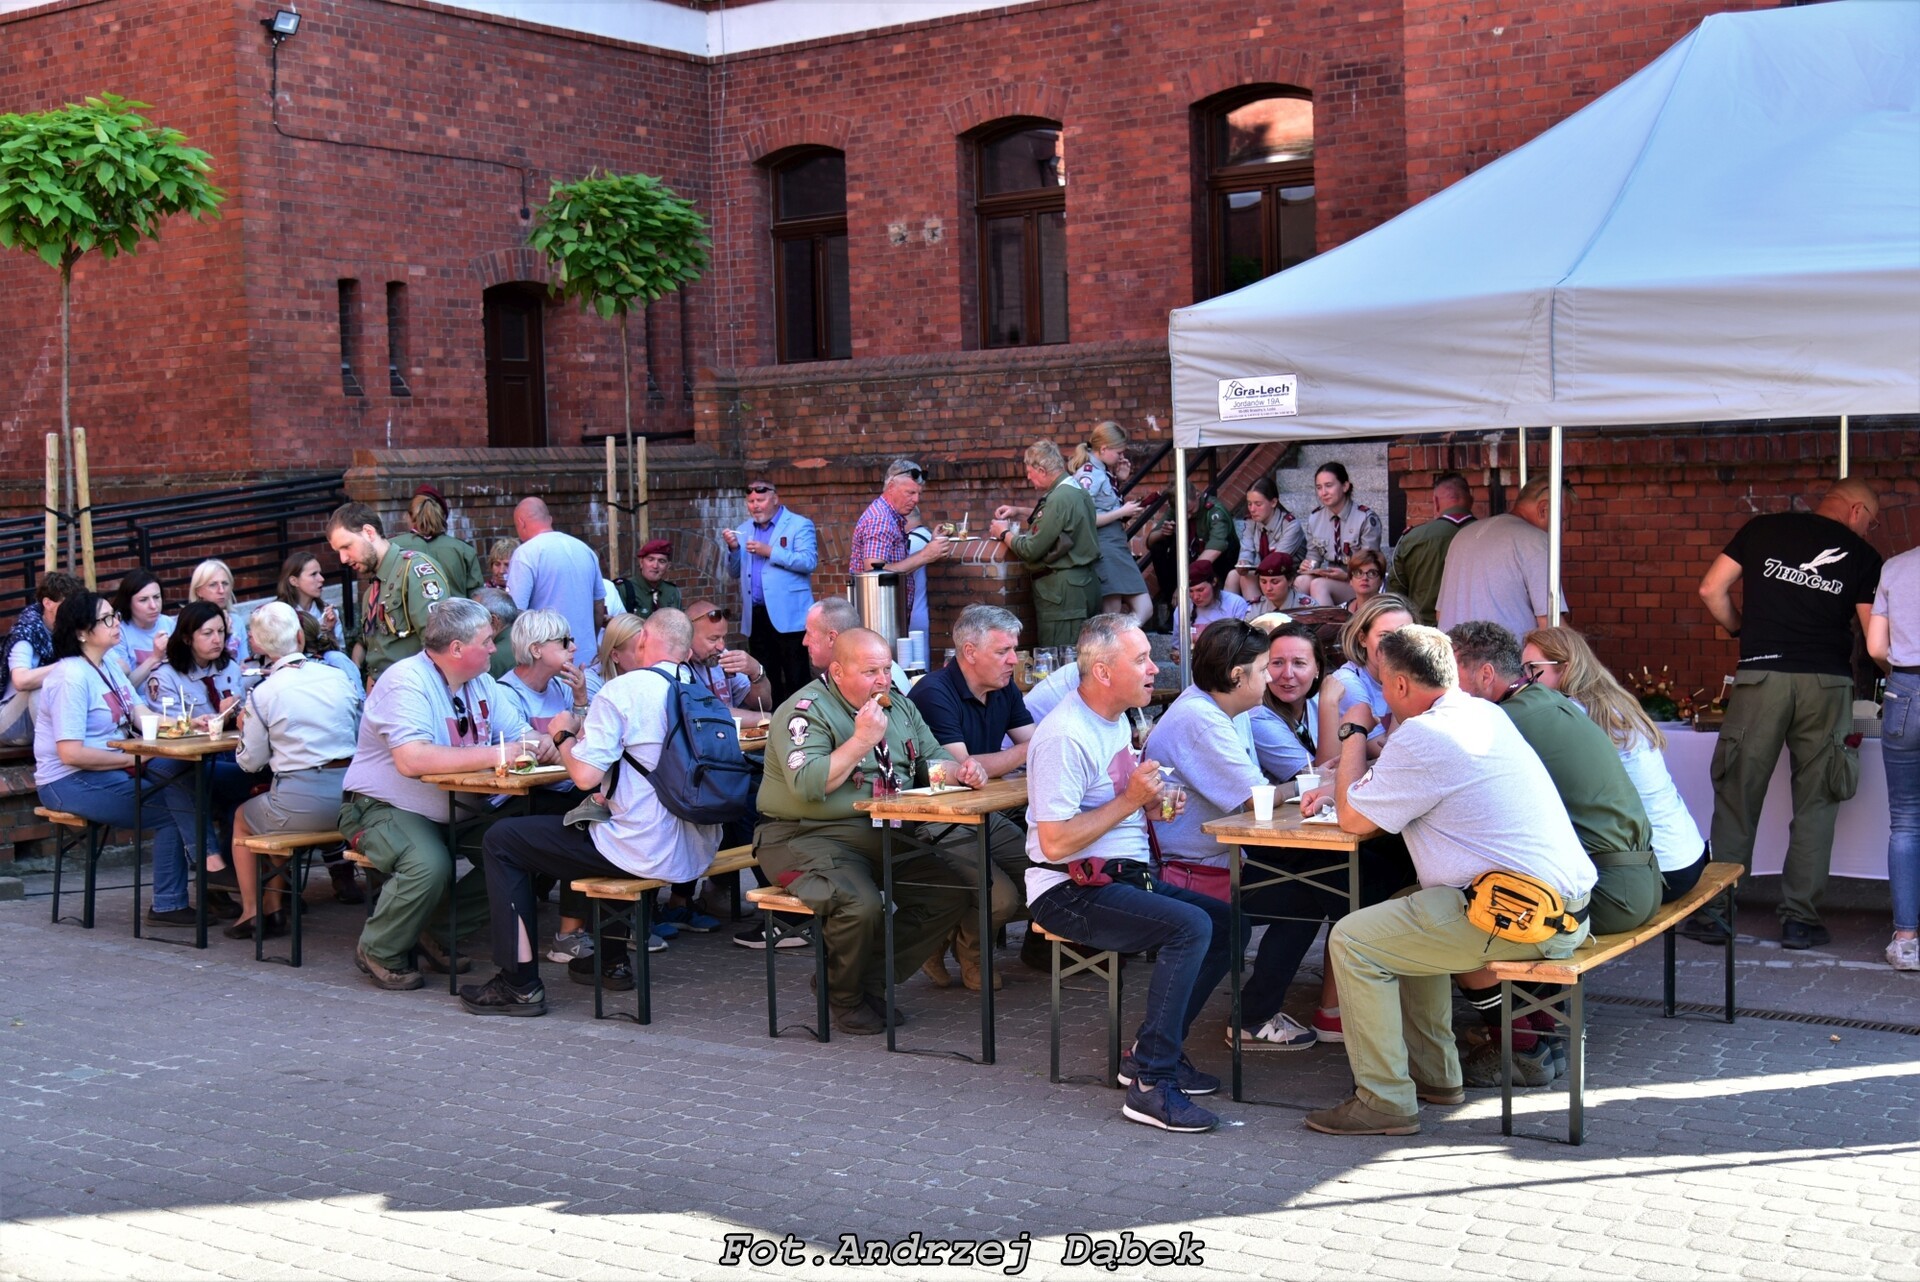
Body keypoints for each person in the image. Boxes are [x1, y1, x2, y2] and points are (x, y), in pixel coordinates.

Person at [1299, 626, 1595, 1136]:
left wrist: (1352, 733)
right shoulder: (1481, 712)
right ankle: (1435, 1076)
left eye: (1383, 683)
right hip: (1561, 904)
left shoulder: (1423, 735)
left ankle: (1384, 1101)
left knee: (1352, 941)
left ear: (1399, 685)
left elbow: (1352, 819)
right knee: (1404, 908)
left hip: (1522, 915)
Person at [1024, 613, 1234, 1133]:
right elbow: (1054, 843)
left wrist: (1150, 802)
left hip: (1118, 876)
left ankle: (1148, 1053)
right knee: (1192, 927)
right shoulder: (1064, 735)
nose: (1154, 669)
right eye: (1140, 660)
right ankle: (1150, 1084)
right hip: (1066, 887)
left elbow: (1115, 802)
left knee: (1229, 925)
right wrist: (1129, 800)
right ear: (1102, 672)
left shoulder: (1116, 718)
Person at [461, 608, 724, 1015]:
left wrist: (562, 734)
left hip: (644, 847)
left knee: (502, 840)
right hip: (695, 846)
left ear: (642, 641)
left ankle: (519, 983)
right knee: (595, 820)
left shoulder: (624, 690)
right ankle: (610, 961)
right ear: (687, 651)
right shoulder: (699, 688)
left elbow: (584, 776)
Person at [755, 628, 978, 1034]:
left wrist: (960, 772)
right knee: (860, 905)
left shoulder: (900, 706)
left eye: (886, 669)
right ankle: (844, 997)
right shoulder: (805, 711)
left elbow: (930, 763)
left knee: (946, 893)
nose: (883, 680)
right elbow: (809, 785)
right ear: (838, 671)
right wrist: (861, 740)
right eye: (871, 671)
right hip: (803, 836)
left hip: (881, 832)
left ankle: (861, 979)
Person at [1696, 477, 1883, 950]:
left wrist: (1741, 629)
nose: (1870, 530)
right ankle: (1800, 920)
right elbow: (1871, 636)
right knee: (1817, 801)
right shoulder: (1863, 556)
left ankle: (1716, 914)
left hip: (1761, 676)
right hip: (1826, 683)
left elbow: (1711, 588)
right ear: (1857, 511)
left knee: (1738, 795)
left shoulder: (1762, 530)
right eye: (1872, 522)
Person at [337, 598, 540, 991]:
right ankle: (379, 948)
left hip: (461, 809)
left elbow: (520, 736)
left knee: (525, 851)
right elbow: (412, 759)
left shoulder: (481, 681)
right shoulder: (405, 681)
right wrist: (499, 754)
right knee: (429, 866)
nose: (494, 648)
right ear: (457, 648)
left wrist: (549, 743)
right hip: (383, 806)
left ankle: (432, 928)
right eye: (486, 641)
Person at [31, 591, 194, 925]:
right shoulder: (70, 677)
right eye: (106, 619)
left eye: (115, 615)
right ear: (81, 632)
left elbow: (139, 714)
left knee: (188, 783)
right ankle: (169, 904)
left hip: (112, 767)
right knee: (172, 811)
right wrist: (130, 759)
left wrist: (188, 723)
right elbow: (70, 753)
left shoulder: (106, 665)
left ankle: (215, 881)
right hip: (67, 780)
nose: (116, 622)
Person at [1522, 627, 1708, 902]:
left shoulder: (1573, 714)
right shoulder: (1614, 701)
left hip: (1656, 872)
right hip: (1687, 855)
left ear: (1565, 667)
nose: (1525, 680)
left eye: (1533, 669)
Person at [907, 604, 1038, 988]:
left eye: (1013, 650)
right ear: (969, 652)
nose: (1013, 660)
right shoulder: (934, 692)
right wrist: (1020, 754)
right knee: (1001, 897)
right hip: (934, 818)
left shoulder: (1003, 686)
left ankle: (942, 940)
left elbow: (1036, 747)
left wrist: (1016, 755)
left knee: (1040, 879)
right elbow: (962, 770)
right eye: (1003, 651)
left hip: (982, 811)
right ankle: (971, 956)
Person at [225, 603, 363, 938]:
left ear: (258, 645)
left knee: (244, 818)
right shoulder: (338, 676)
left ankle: (252, 912)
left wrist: (245, 728)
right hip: (353, 799)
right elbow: (361, 733)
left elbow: (249, 763)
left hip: (300, 802)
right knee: (270, 813)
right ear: (300, 636)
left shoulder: (264, 692)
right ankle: (273, 906)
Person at [1146, 620, 1273, 902]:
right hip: (1193, 869)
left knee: (1322, 870)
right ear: (1237, 676)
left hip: (1226, 854)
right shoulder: (1202, 718)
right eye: (1264, 669)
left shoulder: (1228, 707)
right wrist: (1313, 786)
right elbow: (1258, 798)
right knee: (1316, 878)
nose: (1271, 678)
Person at [326, 501, 453, 688]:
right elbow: (377, 655)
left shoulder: (415, 571)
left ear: (369, 533)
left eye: (347, 547)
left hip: (415, 690)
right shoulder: (371, 592)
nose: (343, 559)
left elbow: (440, 646)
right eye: (339, 551)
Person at [990, 441, 1101, 647]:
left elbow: (1030, 549)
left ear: (1041, 470)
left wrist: (1003, 533)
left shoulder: (1059, 497)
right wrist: (1018, 510)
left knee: (1061, 657)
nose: (1028, 477)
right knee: (1085, 655)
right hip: (1084, 585)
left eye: (1029, 472)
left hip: (1063, 595)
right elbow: (1058, 517)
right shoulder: (1075, 490)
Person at [1867, 542, 1918, 971]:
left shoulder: (1896, 567)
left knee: (1906, 820)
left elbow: (1874, 647)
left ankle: (1906, 941)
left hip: (1905, 692)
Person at [723, 480, 817, 705]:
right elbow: (734, 572)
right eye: (751, 501)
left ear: (775, 499)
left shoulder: (799, 524)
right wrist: (734, 549)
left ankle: (802, 720)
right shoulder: (744, 529)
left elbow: (809, 561)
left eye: (761, 500)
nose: (755, 506)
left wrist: (770, 551)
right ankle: (771, 720)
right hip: (757, 616)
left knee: (796, 676)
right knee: (765, 675)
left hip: (790, 617)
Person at [1435, 474, 1564, 637]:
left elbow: (1440, 614)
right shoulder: (1536, 540)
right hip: (1506, 652)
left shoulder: (1462, 535)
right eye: (1563, 519)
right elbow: (1551, 626)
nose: (1563, 529)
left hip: (1453, 649)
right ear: (1543, 509)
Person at [847, 459, 954, 632]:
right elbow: (874, 572)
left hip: (883, 617)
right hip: (877, 620)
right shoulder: (880, 520)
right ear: (891, 487)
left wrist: (930, 546)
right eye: (910, 493)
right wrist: (925, 555)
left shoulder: (889, 516)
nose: (916, 499)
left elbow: (892, 566)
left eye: (918, 493)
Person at [1315, 593, 1416, 768]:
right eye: (1385, 636)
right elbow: (1389, 754)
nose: (1396, 645)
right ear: (1362, 639)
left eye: (1404, 635)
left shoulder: (1415, 676)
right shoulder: (1348, 682)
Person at [1067, 421, 1151, 623]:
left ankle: (1116, 637)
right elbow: (1083, 518)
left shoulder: (1103, 471)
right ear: (1103, 448)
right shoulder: (1089, 474)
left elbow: (1102, 506)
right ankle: (1110, 639)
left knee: (1141, 609)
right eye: (1119, 452)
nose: (1122, 457)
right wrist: (1122, 511)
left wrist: (1120, 480)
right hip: (1104, 546)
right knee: (1112, 612)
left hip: (1115, 545)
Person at [506, 497, 607, 658]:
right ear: (550, 519)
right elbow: (599, 605)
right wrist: (591, 640)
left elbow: (516, 613)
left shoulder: (525, 554)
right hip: (587, 655)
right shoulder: (585, 550)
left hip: (547, 660)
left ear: (521, 522)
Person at [2, 573, 86, 748]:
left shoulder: (74, 629)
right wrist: (68, 665)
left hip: (48, 719)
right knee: (41, 689)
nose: (72, 611)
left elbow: (118, 665)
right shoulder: (26, 632)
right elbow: (20, 680)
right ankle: (59, 756)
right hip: (10, 723)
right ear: (47, 603)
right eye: (67, 605)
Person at [1385, 472, 1475, 625]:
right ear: (1471, 501)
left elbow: (1395, 596)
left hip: (1426, 632)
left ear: (1436, 502)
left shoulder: (1413, 538)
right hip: (1476, 632)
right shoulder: (1493, 536)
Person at [1296, 463, 1385, 607]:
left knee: (1319, 585)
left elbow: (1371, 564)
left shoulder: (1365, 518)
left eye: (1329, 485)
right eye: (1319, 487)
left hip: (1360, 581)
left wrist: (1346, 575)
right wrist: (1309, 566)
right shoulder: (1315, 518)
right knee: (1301, 582)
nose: (1323, 492)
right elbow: (1313, 556)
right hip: (1331, 577)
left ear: (1345, 486)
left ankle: (1330, 623)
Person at [1248, 620, 1320, 786]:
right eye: (1277, 662)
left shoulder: (1317, 699)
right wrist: (1330, 706)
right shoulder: (1257, 715)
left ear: (1317, 668)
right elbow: (1318, 780)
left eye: (1299, 663)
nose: (1287, 674)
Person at [496, 609, 590, 734]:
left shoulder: (562, 686)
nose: (574, 647)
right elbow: (524, 744)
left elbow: (585, 740)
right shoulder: (506, 694)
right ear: (536, 650)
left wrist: (581, 699)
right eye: (565, 642)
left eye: (571, 640)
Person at [390, 484, 484, 599]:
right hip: (455, 611)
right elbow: (477, 598)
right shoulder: (464, 550)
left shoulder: (392, 548)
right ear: (443, 517)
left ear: (409, 516)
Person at [1226, 476, 1306, 601]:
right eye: (1249, 504)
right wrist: (1244, 562)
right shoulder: (1251, 522)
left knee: (1249, 577)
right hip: (1265, 571)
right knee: (1234, 575)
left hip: (1287, 574)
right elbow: (1247, 549)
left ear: (1273, 502)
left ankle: (1260, 611)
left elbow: (1277, 561)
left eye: (1258, 504)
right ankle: (1237, 613)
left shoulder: (1290, 525)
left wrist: (1253, 568)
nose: (1252, 509)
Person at [684, 600, 773, 712]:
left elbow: (763, 705)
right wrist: (770, 718)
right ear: (688, 636)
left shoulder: (721, 656)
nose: (721, 647)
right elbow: (709, 714)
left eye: (723, 637)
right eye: (713, 639)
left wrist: (756, 672)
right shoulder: (677, 667)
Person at [110, 570, 172, 687]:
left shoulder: (169, 624)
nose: (153, 606)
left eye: (156, 597)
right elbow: (124, 687)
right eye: (143, 600)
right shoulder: (119, 631)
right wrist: (155, 658)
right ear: (128, 603)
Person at [277, 552, 343, 648]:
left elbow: (340, 651)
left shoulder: (328, 613)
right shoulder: (278, 615)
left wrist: (329, 631)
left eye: (320, 573)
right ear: (294, 581)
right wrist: (315, 633)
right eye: (313, 574)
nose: (321, 579)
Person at [615, 538, 683, 620]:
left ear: (668, 566)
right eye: (651, 560)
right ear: (641, 562)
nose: (655, 566)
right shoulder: (624, 589)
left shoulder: (672, 592)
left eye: (661, 561)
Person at [1187, 559, 1251, 636]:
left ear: (1214, 582)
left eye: (1200, 590)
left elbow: (1242, 639)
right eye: (1190, 591)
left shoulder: (1236, 604)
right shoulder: (1183, 609)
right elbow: (1177, 642)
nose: (1195, 597)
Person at [471, 587, 520, 680]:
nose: (470, 623)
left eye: (474, 617)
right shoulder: (523, 637)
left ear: (493, 621)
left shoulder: (492, 656)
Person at [1249, 552, 1311, 616]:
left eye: (1275, 582)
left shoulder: (1308, 608)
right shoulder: (1256, 608)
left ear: (1290, 581)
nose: (1268, 588)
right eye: (1263, 582)